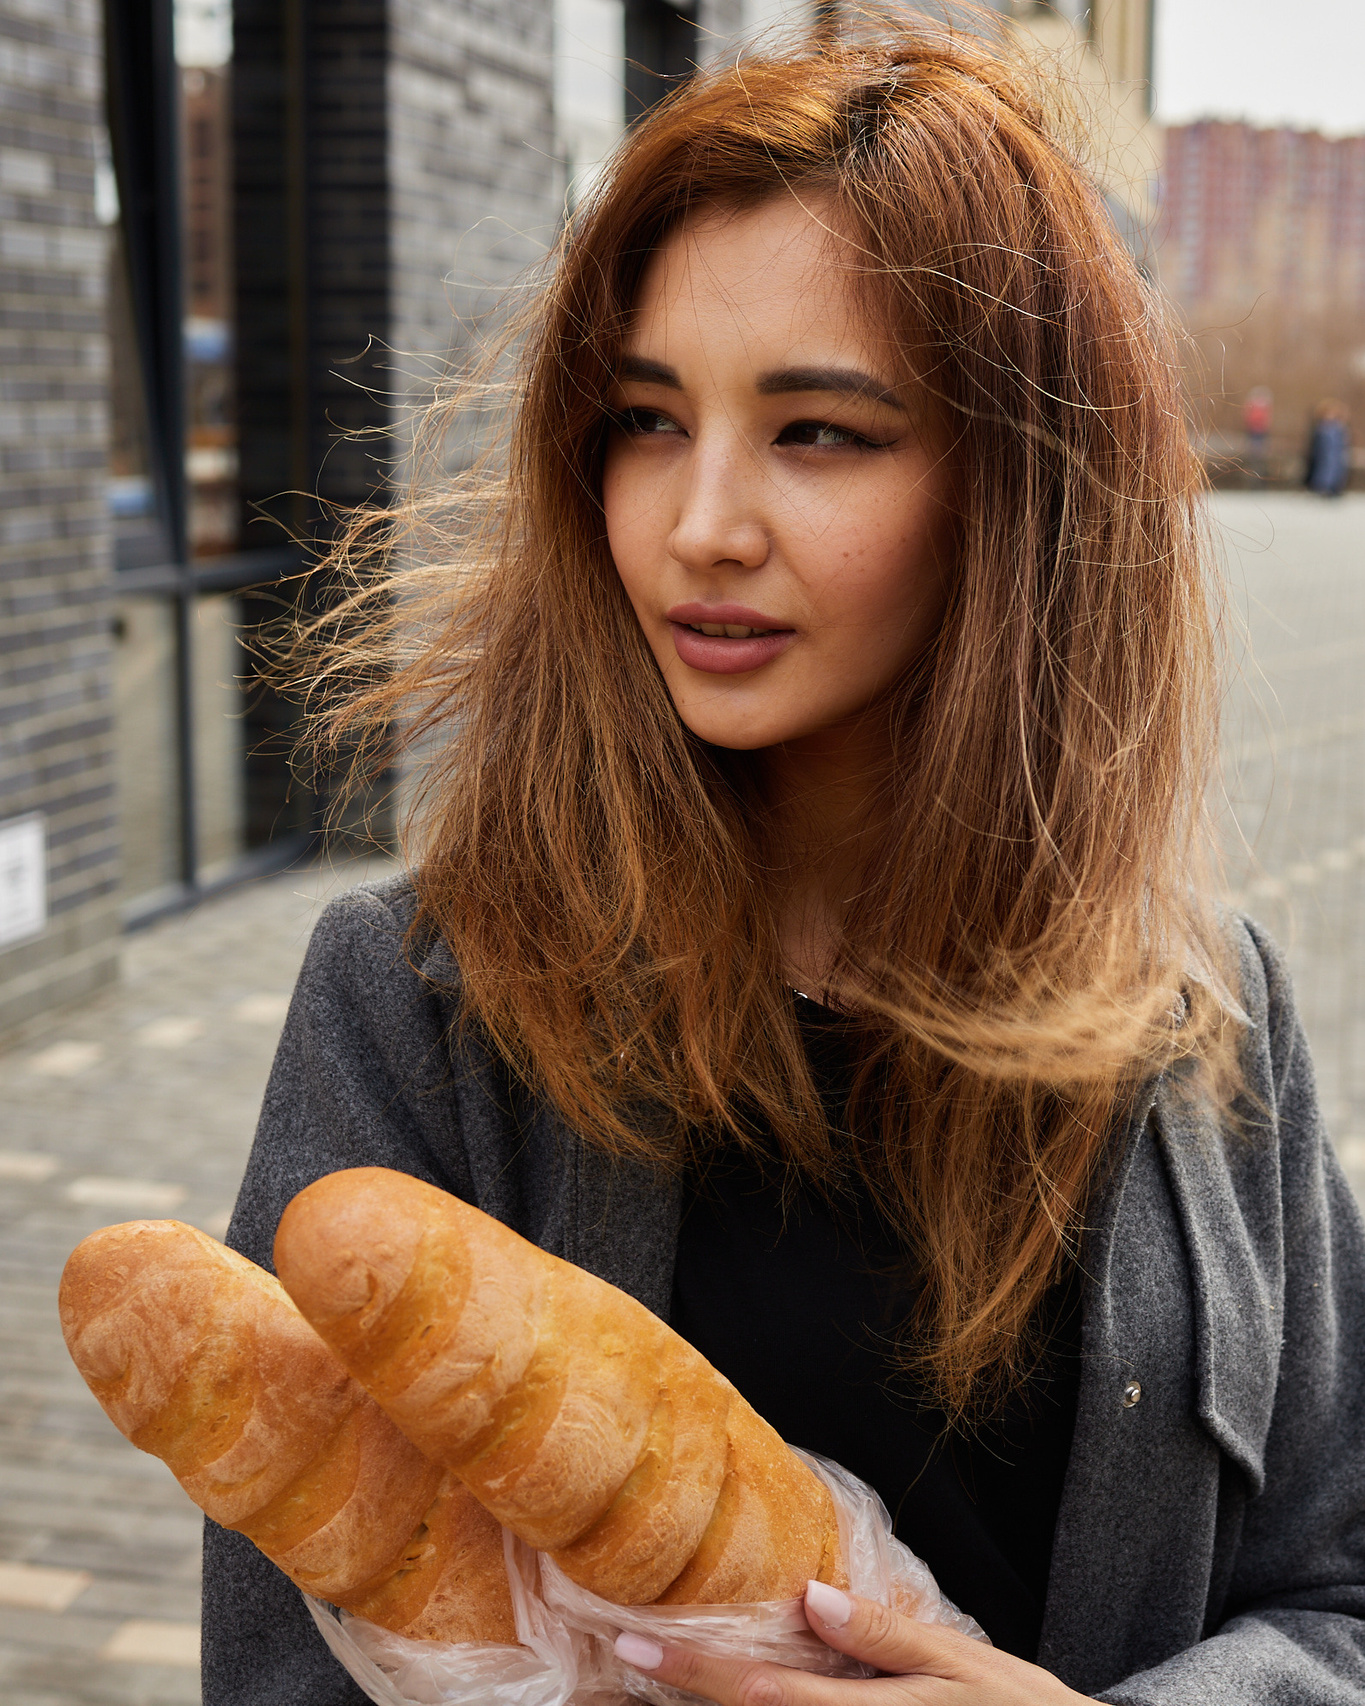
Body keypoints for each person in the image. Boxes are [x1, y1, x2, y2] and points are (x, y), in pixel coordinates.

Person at [203, 18, 1365, 1706]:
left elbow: (1339, 1589)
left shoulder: (1202, 1015)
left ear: (1016, 490)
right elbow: (283, 1658)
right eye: (650, 421)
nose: (700, 524)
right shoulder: (422, 1006)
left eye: (818, 431)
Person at [1305, 398, 1352, 497]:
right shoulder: (1322, 429)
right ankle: (1323, 487)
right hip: (1325, 459)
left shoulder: (1339, 429)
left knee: (1335, 471)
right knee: (1324, 470)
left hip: (1336, 460)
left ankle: (1333, 487)